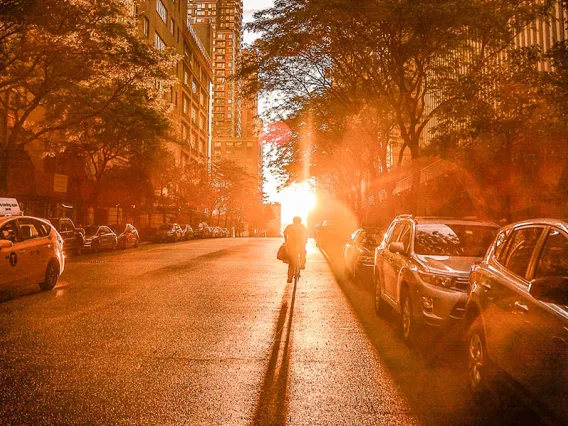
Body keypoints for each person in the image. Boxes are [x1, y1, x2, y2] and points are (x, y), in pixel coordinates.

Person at [283, 216, 308, 283]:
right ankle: (302, 264)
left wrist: (286, 241)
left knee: (291, 262)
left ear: (293, 221)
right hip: (301, 244)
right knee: (303, 253)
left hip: (292, 245)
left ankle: (289, 278)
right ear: (300, 221)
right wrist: (305, 240)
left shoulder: (290, 226)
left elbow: (285, 234)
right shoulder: (302, 226)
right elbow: (306, 234)